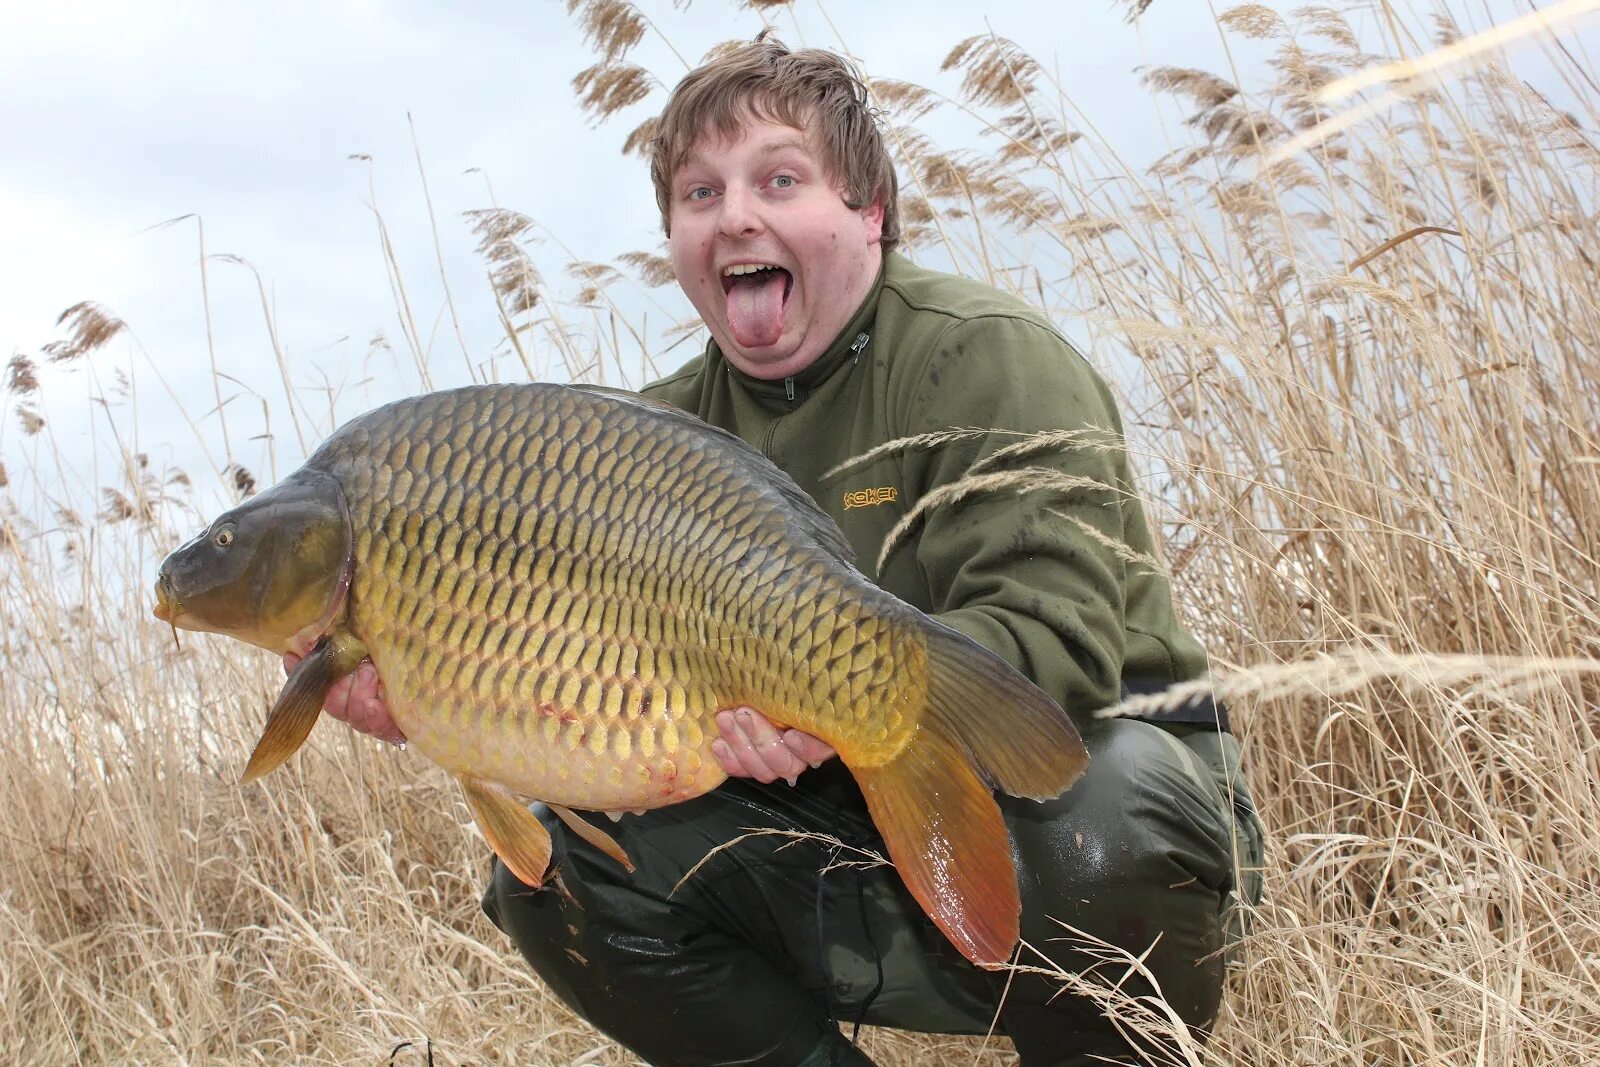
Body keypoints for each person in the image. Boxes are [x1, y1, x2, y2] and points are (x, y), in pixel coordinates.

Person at [297, 37, 1265, 1067]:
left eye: (779, 179)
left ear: (870, 211)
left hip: (1100, 794)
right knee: (563, 878)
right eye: (697, 193)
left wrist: (826, 699)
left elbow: (1054, 650)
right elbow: (592, 710)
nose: (734, 216)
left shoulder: (988, 358)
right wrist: (441, 694)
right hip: (839, 822)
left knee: (1096, 825)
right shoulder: (641, 441)